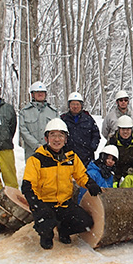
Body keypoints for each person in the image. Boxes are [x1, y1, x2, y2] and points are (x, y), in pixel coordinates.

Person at [21, 118, 101, 249]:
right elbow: (28, 186)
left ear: (65, 139)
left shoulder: (71, 157)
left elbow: (81, 175)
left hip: (64, 202)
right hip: (45, 203)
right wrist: (37, 206)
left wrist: (90, 184)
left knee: (86, 222)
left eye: (60, 135)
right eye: (53, 135)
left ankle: (64, 230)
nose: (57, 139)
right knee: (45, 222)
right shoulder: (36, 159)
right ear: (46, 138)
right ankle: (46, 234)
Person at [19, 81, 58, 161]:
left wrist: (50, 145)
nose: (40, 94)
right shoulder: (25, 112)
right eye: (37, 92)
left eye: (42, 92)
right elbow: (23, 131)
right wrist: (36, 145)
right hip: (32, 152)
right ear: (32, 94)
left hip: (50, 151)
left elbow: (58, 130)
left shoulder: (53, 112)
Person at [60, 92, 101, 166]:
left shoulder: (88, 119)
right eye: (73, 104)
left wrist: (92, 148)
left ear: (81, 106)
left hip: (86, 157)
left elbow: (96, 135)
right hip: (67, 156)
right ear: (69, 105)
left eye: (77, 104)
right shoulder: (63, 119)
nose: (75, 106)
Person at [107, 115, 133, 186]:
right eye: (123, 129)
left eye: (128, 129)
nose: (125, 132)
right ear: (119, 129)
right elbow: (106, 158)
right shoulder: (113, 141)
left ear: (131, 130)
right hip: (116, 173)